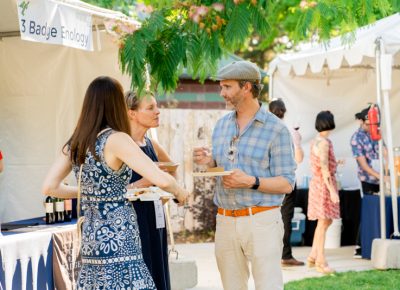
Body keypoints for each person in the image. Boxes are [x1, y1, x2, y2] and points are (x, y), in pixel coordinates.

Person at [42, 76, 189, 289]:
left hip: (91, 237)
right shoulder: (117, 139)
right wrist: (179, 191)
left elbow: (50, 187)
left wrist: (93, 193)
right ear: (115, 104)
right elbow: (158, 177)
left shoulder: (76, 142)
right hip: (120, 237)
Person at [193, 61, 296, 290]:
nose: (222, 93)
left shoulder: (277, 130)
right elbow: (221, 167)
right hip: (225, 220)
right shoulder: (221, 126)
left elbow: (287, 183)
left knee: (268, 286)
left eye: (227, 87)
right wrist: (208, 162)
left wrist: (251, 181)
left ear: (247, 87)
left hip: (261, 220)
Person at [125, 90, 174, 290]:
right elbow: (111, 189)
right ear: (132, 113)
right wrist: (143, 183)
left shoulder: (151, 144)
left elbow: (172, 168)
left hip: (155, 217)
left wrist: (165, 195)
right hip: (132, 220)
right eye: (150, 107)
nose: (158, 111)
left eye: (157, 106)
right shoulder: (122, 145)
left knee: (157, 269)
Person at [269, 99, 305, 267]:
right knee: (285, 218)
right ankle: (286, 255)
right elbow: (298, 158)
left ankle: (270, 254)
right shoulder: (290, 131)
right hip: (286, 181)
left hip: (267, 180)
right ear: (284, 112)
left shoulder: (265, 130)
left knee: (267, 217)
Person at [307, 110, 340, 274]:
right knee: (323, 222)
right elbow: (325, 169)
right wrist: (332, 191)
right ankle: (321, 260)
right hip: (324, 185)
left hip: (318, 184)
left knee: (325, 221)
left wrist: (336, 163)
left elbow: (323, 164)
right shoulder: (324, 143)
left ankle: (313, 255)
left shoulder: (317, 141)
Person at [350, 107, 386, 258]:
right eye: (368, 124)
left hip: (381, 177)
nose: (370, 127)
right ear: (361, 121)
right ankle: (360, 245)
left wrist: (388, 170)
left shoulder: (376, 133)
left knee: (383, 209)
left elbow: (384, 152)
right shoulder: (356, 138)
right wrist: (380, 176)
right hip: (367, 180)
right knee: (368, 210)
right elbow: (363, 165)